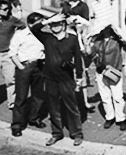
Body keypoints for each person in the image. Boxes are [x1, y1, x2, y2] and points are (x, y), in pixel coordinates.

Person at [30, 13, 85, 146]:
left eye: (58, 24)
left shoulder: (72, 39)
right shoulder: (47, 38)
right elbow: (33, 29)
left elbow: (78, 59)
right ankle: (56, 133)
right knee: (53, 108)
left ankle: (76, 133)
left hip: (66, 79)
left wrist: (79, 77)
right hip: (50, 79)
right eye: (52, 25)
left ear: (64, 25)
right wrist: (49, 20)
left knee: (71, 107)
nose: (55, 27)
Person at [8, 11, 47, 137]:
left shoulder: (42, 35)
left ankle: (34, 118)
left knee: (39, 95)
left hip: (39, 66)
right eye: (39, 22)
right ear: (30, 23)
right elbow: (12, 53)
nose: (41, 24)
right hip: (25, 66)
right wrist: (20, 66)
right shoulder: (20, 35)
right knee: (21, 97)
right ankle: (17, 125)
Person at [89, 25, 126, 131]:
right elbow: (92, 54)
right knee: (105, 96)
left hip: (114, 71)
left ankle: (121, 118)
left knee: (118, 96)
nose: (105, 29)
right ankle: (110, 117)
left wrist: (119, 34)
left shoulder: (117, 40)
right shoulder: (98, 40)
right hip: (101, 71)